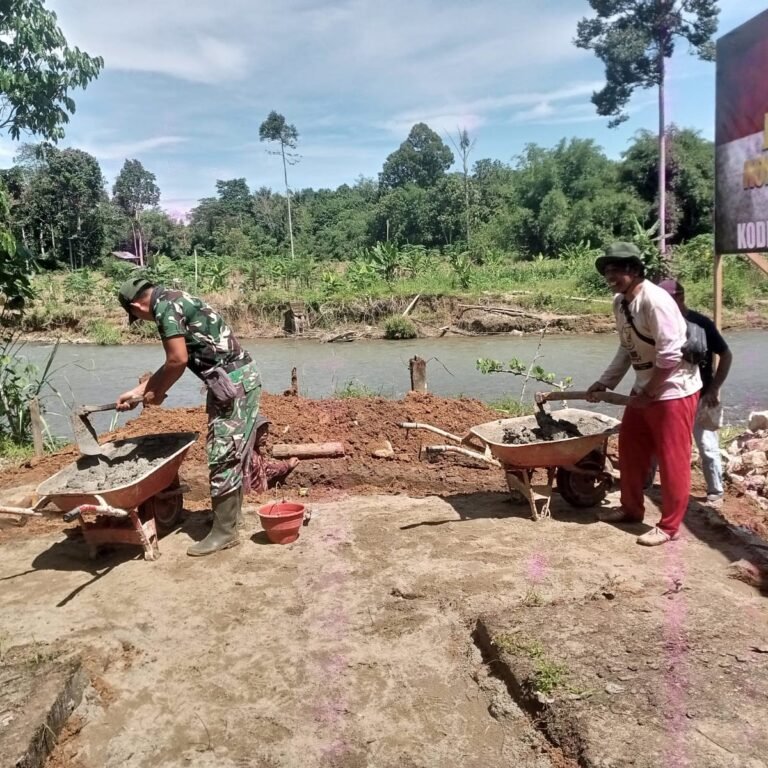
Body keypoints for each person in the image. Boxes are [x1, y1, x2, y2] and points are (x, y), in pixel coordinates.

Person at [115, 277, 261, 557]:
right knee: (228, 447)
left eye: (137, 317)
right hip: (232, 381)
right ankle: (229, 519)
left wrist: (156, 393)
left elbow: (177, 360)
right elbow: (175, 361)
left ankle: (225, 532)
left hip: (233, 383)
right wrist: (138, 392)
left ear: (136, 305)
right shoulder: (173, 298)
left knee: (223, 450)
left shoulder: (164, 309)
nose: (143, 321)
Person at [587, 243, 702, 546]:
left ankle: (669, 526)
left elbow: (671, 356)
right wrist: (605, 383)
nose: (611, 275)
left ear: (635, 270)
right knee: (631, 450)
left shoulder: (655, 301)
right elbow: (627, 347)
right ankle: (631, 509)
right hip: (645, 389)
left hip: (674, 389)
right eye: (607, 270)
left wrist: (650, 391)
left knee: (671, 459)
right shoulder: (619, 303)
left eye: (618, 269)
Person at [658, 278, 733, 505]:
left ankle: (715, 491)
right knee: (658, 444)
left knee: (707, 446)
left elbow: (726, 355)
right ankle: (648, 484)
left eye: (669, 300)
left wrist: (714, 388)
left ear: (680, 297)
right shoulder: (659, 324)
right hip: (669, 396)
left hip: (701, 396)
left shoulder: (701, 324)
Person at [249, 415, 300, 494]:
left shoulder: (256, 452)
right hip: (252, 503)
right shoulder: (245, 455)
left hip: (261, 499)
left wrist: (287, 465)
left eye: (266, 430)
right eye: (261, 430)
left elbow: (266, 469)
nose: (265, 434)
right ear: (251, 432)